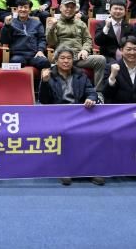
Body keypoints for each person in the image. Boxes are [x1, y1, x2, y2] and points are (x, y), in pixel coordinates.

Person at [38, 46, 104, 186]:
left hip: (79, 115)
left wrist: (91, 98)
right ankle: (66, 169)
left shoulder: (81, 74)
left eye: (69, 58)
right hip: (58, 116)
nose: (66, 61)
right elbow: (44, 100)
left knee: (94, 133)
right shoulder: (49, 75)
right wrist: (44, 83)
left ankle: (91, 170)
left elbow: (91, 92)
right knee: (66, 134)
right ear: (56, 60)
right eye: (62, 58)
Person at [46, 0, 107, 93]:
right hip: (63, 58)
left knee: (101, 60)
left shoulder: (81, 24)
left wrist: (85, 50)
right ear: (61, 7)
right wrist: (52, 28)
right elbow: (51, 42)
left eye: (72, 7)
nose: (69, 9)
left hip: (79, 57)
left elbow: (88, 39)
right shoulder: (54, 23)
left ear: (75, 9)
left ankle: (98, 93)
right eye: (67, 6)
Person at [0, 0, 51, 72]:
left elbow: (42, 39)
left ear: (30, 10)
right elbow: (4, 40)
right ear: (17, 9)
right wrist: (6, 26)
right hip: (18, 54)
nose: (23, 10)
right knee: (15, 62)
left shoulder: (37, 23)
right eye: (20, 7)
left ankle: (41, 80)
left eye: (25, 7)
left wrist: (40, 50)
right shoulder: (11, 22)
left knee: (44, 62)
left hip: (34, 55)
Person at [103, 36, 136, 104]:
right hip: (119, 108)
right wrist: (112, 77)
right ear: (121, 50)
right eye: (129, 49)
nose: (132, 53)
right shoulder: (110, 67)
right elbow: (106, 94)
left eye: (135, 49)